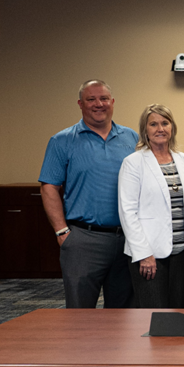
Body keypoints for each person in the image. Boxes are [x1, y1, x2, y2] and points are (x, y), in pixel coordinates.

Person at [40, 79, 139, 308]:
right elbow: (49, 188)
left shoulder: (132, 138)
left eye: (104, 98)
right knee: (80, 315)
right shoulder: (62, 140)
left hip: (127, 239)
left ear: (112, 102)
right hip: (83, 240)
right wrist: (62, 232)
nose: (98, 104)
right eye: (91, 99)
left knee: (124, 316)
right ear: (80, 104)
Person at [118, 104, 184, 308]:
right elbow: (127, 211)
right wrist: (144, 254)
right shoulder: (133, 162)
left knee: (180, 310)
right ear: (145, 130)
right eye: (153, 124)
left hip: (182, 252)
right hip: (150, 255)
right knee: (154, 314)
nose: (160, 128)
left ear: (172, 127)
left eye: (165, 123)